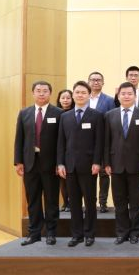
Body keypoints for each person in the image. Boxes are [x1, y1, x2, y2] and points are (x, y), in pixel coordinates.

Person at [14, 81, 63, 246]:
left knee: (51, 200)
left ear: (50, 93)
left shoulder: (59, 113)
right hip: (30, 163)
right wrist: (18, 161)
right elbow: (19, 139)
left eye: (45, 91)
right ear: (33, 93)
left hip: (51, 164)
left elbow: (61, 141)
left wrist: (60, 163)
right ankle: (34, 233)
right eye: (38, 90)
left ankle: (51, 233)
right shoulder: (24, 113)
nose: (41, 93)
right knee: (33, 199)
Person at [104, 82, 139, 244]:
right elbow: (106, 142)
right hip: (115, 164)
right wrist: (106, 163)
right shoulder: (109, 115)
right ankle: (122, 232)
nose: (126, 96)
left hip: (137, 164)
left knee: (135, 201)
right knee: (119, 201)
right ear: (118, 96)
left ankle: (135, 232)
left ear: (135, 96)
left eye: (129, 93)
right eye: (123, 93)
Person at [57, 81, 104, 247]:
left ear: (89, 95)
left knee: (90, 201)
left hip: (89, 166)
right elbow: (61, 142)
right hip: (70, 166)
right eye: (77, 92)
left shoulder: (96, 115)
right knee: (74, 202)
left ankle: (90, 234)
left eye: (84, 92)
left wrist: (97, 162)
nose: (80, 95)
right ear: (73, 95)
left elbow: (99, 142)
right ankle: (76, 234)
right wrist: (60, 164)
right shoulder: (65, 116)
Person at [87, 71, 115, 212]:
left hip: (103, 142)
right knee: (88, 175)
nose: (96, 82)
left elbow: (113, 121)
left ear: (103, 83)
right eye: (93, 80)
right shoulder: (83, 99)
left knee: (104, 174)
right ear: (88, 82)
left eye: (98, 80)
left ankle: (103, 203)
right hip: (86, 143)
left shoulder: (109, 100)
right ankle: (90, 203)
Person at [56, 88, 74, 212]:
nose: (65, 100)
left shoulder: (75, 112)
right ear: (59, 100)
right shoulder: (55, 113)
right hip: (59, 150)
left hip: (71, 150)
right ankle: (65, 202)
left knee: (71, 179)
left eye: (68, 98)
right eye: (63, 98)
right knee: (62, 178)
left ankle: (72, 202)